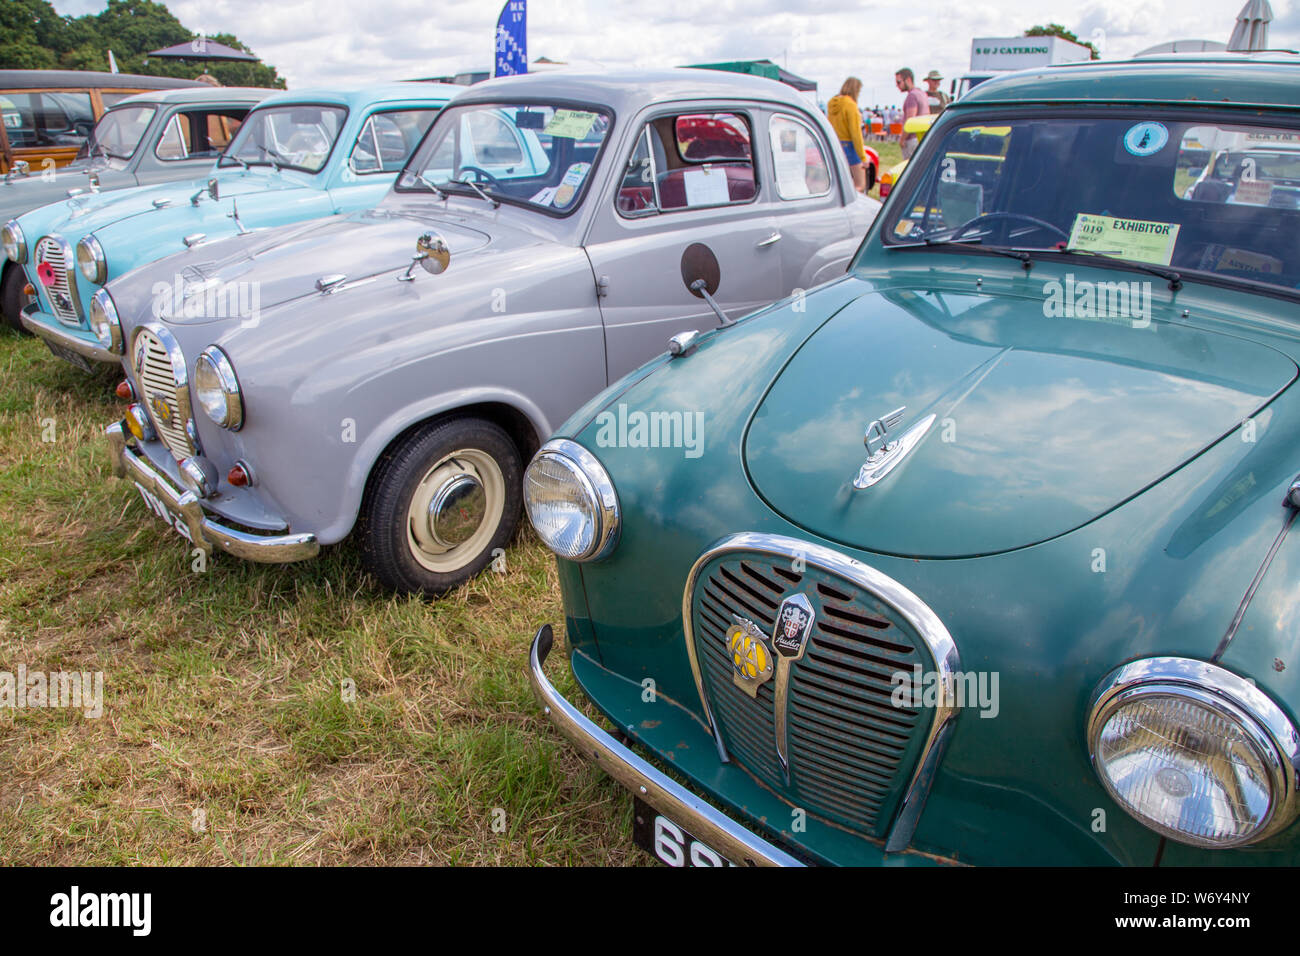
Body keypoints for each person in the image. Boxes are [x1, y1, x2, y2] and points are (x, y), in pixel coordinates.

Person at [827, 77, 868, 193]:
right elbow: (856, 134)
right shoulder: (851, 105)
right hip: (849, 147)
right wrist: (863, 157)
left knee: (839, 185)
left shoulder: (831, 103)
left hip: (835, 145)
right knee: (860, 185)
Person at [895, 67, 929, 158]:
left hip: (912, 140)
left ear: (908, 80)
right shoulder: (922, 94)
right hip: (922, 138)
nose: (897, 85)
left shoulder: (912, 96)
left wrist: (902, 139)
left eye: (899, 82)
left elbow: (910, 121)